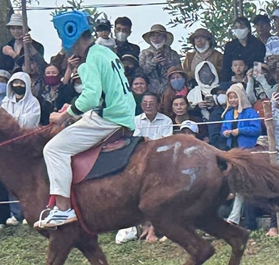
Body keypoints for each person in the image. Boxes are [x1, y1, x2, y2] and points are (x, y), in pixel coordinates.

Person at [35, 11, 137, 229]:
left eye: (65, 41)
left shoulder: (89, 60)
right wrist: (75, 111)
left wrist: (64, 115)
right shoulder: (105, 52)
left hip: (109, 118)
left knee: (53, 149)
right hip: (121, 113)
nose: (66, 47)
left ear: (73, 36)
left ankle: (63, 210)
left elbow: (90, 96)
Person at [138, 24, 181, 96]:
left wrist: (166, 65)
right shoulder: (144, 53)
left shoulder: (173, 53)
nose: (156, 38)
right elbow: (142, 72)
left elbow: (179, 72)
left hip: (170, 91)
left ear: (164, 37)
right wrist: (153, 63)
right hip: (150, 91)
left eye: (159, 35)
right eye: (153, 36)